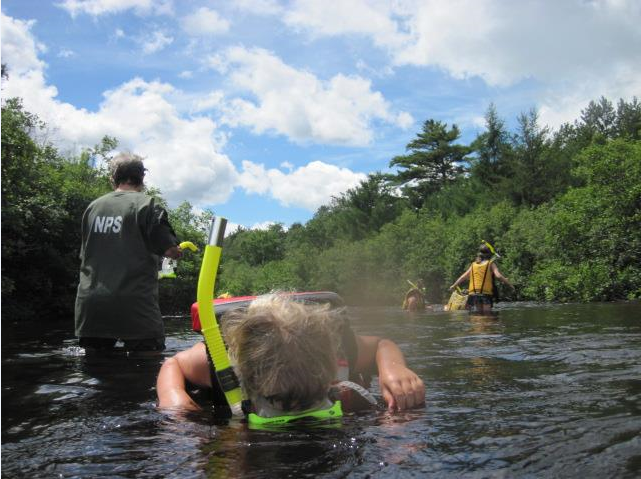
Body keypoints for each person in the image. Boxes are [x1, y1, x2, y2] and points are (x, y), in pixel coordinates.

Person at [157, 294, 425, 419]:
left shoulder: (341, 346)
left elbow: (382, 344)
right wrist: (173, 396)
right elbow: (174, 363)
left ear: (334, 365)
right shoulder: (222, 366)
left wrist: (392, 368)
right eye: (278, 401)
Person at [74, 152, 182, 353]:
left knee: (93, 372)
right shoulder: (148, 205)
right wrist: (177, 251)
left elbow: (85, 255)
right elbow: (169, 249)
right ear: (142, 177)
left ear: (112, 177)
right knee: (145, 368)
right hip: (135, 306)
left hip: (92, 306)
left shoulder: (92, 208)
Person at [449, 244, 514, 314]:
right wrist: (509, 284)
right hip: (485, 294)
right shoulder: (491, 264)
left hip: (473, 294)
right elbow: (498, 276)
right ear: (489, 254)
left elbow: (463, 277)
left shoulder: (473, 264)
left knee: (479, 315)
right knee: (486, 316)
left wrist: (454, 285)